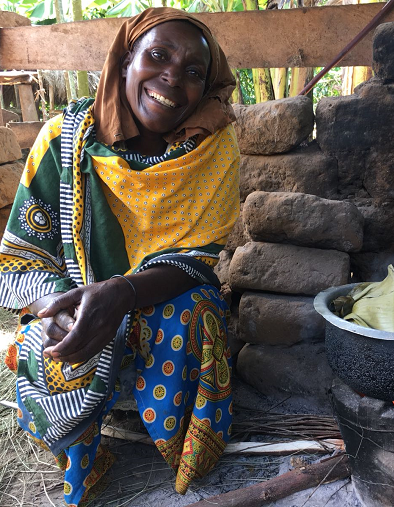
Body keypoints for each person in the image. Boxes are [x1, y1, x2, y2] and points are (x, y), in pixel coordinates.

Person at [0, 7, 239, 506]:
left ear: (205, 88)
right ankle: (82, 462)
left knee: (198, 317)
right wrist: (63, 305)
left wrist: (120, 293)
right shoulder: (65, 138)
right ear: (126, 59)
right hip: (73, 292)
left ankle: (182, 457)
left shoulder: (213, 149)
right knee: (42, 342)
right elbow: (25, 254)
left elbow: (197, 258)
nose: (173, 76)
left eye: (194, 72)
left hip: (159, 296)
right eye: (158, 56)